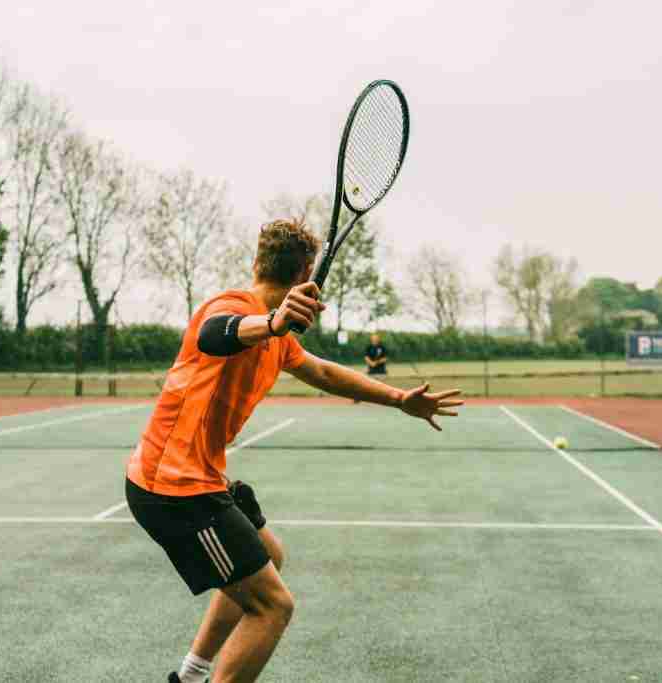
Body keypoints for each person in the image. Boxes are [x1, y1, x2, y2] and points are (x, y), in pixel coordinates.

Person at [125, 218, 464, 683]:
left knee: (270, 555)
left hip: (193, 476)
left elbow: (323, 372)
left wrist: (399, 398)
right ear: (308, 274)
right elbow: (214, 333)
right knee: (273, 607)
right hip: (172, 490)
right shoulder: (233, 308)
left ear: (258, 262)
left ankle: (190, 675)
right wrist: (270, 321)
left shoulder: (279, 339)